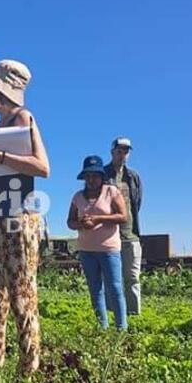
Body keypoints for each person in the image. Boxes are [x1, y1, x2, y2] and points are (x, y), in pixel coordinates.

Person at [0, 59, 50, 374]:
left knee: (21, 294)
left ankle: (28, 369)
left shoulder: (24, 117)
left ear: (0, 88)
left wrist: (1, 156)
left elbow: (43, 167)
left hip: (19, 218)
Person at [67, 155, 128, 330]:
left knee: (115, 288)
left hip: (109, 249)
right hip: (86, 250)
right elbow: (70, 221)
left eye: (95, 176)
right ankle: (102, 327)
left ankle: (121, 328)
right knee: (95, 290)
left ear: (101, 177)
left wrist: (98, 219)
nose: (91, 180)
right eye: (88, 176)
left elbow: (123, 216)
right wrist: (82, 223)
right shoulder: (78, 196)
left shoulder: (112, 192)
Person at [105, 137, 143, 315]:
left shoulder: (133, 177)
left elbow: (138, 203)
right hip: (108, 236)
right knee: (112, 279)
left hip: (130, 235)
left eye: (126, 151)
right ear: (112, 152)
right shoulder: (102, 174)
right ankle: (113, 316)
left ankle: (134, 315)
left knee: (132, 278)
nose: (122, 155)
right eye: (119, 151)